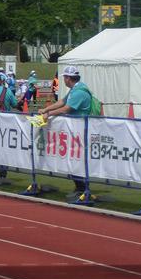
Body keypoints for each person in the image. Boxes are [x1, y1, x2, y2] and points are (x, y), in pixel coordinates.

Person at [38, 66, 94, 198]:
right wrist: (46, 110)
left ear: (68, 78)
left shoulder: (79, 91)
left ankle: (82, 188)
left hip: (79, 130)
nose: (63, 79)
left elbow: (66, 109)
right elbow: (62, 102)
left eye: (64, 77)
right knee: (74, 159)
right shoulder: (75, 89)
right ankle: (79, 187)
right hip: (74, 130)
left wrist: (48, 113)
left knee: (77, 160)